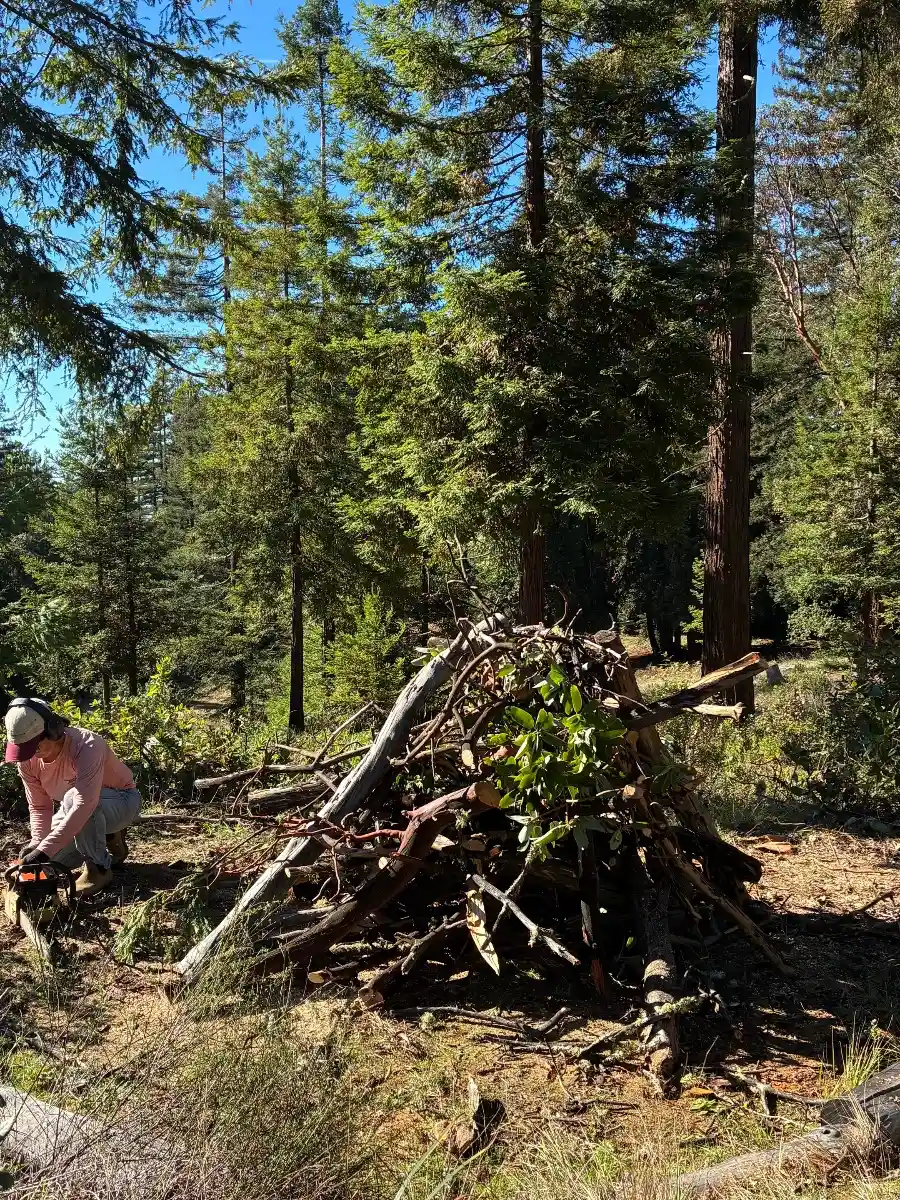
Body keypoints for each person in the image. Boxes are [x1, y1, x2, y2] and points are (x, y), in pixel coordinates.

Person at [3, 698, 141, 897]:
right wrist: (37, 846)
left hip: (122, 801)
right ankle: (106, 836)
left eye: (34, 746)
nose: (31, 754)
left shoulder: (87, 745)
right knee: (47, 865)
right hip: (79, 811)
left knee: (72, 799)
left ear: (53, 730)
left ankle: (99, 869)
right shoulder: (27, 761)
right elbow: (40, 808)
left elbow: (85, 803)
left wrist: (44, 850)